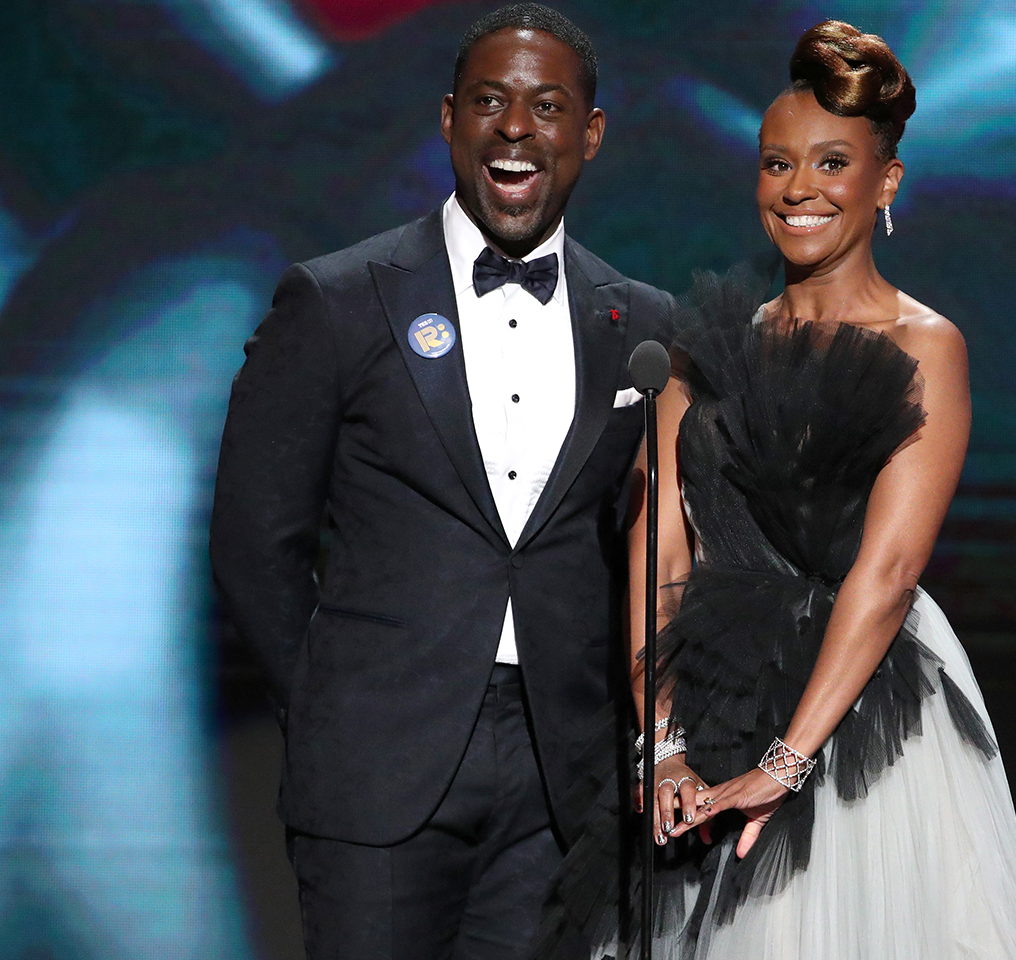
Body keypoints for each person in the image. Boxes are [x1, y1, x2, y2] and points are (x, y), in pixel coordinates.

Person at [537, 20, 1016, 959]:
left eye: (832, 162)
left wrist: (786, 765)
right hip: (700, 704)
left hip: (856, 716)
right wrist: (661, 744)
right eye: (778, 163)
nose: (800, 189)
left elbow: (890, 567)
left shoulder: (922, 345)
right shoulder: (701, 347)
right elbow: (657, 547)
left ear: (885, 181)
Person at [209, 5, 674, 958]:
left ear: (588, 134)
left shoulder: (642, 327)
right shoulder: (338, 298)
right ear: (451, 119)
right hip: (375, 766)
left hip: (560, 781)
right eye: (490, 102)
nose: (515, 128)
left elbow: (655, 552)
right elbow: (255, 540)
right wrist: (331, 702)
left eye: (547, 106)